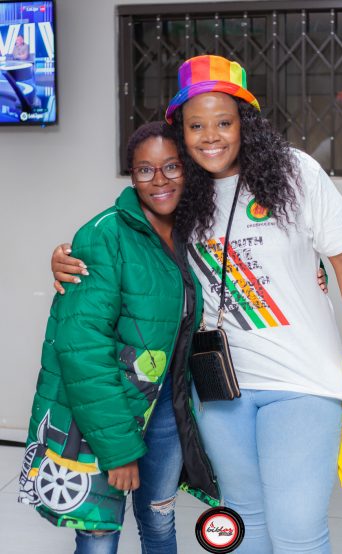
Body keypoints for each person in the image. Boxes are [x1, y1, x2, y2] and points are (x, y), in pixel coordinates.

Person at [51, 55, 342, 553]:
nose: (211, 137)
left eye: (224, 123)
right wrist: (65, 257)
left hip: (300, 382)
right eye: (196, 126)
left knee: (297, 527)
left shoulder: (295, 172)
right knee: (243, 517)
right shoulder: (181, 191)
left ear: (244, 123)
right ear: (180, 131)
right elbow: (125, 239)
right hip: (217, 388)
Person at [19, 121, 220, 554]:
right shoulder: (103, 235)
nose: (160, 179)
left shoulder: (194, 232)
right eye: (145, 170)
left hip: (165, 409)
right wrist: (119, 451)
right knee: (99, 537)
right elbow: (82, 352)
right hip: (99, 417)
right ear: (132, 176)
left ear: (186, 169)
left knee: (160, 523)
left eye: (171, 166)